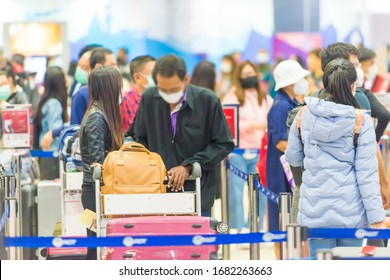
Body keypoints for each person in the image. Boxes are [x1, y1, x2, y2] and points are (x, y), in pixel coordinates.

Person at [285, 58, 386, 258]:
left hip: (314, 211)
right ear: (352, 86)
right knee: (349, 267)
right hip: (351, 213)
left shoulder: (303, 114)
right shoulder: (361, 121)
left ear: (325, 85)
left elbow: (293, 157)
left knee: (319, 266)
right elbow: (367, 175)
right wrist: (376, 219)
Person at [133, 54, 234, 216]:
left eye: (173, 89)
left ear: (186, 79)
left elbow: (223, 143)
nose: (168, 95)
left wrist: (189, 166)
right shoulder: (150, 98)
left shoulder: (207, 100)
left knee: (197, 240)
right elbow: (139, 137)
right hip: (157, 192)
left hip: (197, 192)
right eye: (162, 89)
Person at [266, 60, 310, 259]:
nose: (305, 81)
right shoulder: (281, 106)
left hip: (291, 169)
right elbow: (280, 142)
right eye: (301, 78)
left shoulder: (292, 103)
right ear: (291, 82)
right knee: (280, 220)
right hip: (281, 171)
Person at [222, 61, 272, 234]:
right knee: (235, 192)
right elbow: (228, 123)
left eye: (252, 73)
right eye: (245, 74)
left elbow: (271, 121)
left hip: (259, 151)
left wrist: (260, 125)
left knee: (261, 193)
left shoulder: (264, 97)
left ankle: (257, 227)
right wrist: (252, 125)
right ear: (239, 77)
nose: (249, 76)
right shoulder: (232, 96)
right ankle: (238, 228)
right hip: (237, 152)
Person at [80, 66, 124, 260]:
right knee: (97, 251)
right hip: (96, 191)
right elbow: (98, 163)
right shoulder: (97, 116)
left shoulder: (101, 113)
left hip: (100, 191)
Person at [34, 66, 69, 179]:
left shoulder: (46, 102)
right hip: (52, 156)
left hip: (46, 155)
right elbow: (55, 130)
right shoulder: (54, 104)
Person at [358, 46, 390, 142]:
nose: (373, 66)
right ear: (361, 63)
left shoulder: (364, 84)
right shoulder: (359, 89)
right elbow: (384, 115)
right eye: (371, 63)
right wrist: (374, 140)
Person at [121, 55, 155, 132]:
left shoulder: (161, 98)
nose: (157, 78)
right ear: (137, 77)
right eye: (153, 74)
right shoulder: (124, 102)